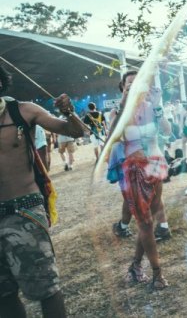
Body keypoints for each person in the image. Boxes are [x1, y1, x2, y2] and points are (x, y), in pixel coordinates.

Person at [0, 64, 87, 317]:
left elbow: (76, 131)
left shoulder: (23, 111)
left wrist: (69, 112)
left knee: (46, 287)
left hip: (23, 209)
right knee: (3, 294)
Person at [106, 70, 171, 289]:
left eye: (138, 82)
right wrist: (124, 104)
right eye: (129, 84)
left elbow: (167, 131)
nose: (135, 86)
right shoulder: (117, 111)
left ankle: (135, 265)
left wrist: (158, 106)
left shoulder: (152, 107)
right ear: (123, 88)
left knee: (149, 220)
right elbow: (112, 136)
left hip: (155, 164)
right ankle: (157, 274)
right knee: (145, 223)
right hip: (133, 170)